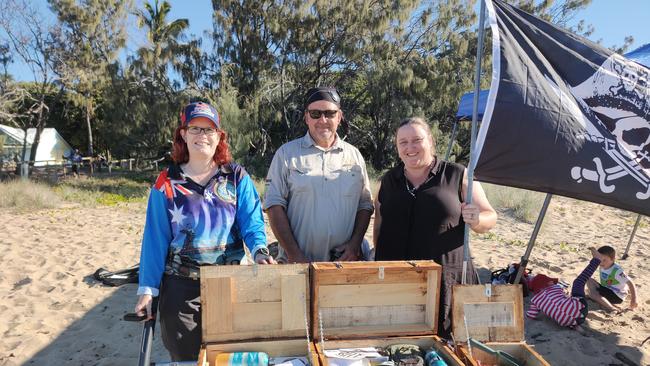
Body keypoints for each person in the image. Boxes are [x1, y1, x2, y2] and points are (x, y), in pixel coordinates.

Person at [134, 101, 275, 361]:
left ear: (219, 137)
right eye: (196, 129)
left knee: (230, 356)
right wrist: (147, 290)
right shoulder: (166, 182)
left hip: (229, 283)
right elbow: (155, 239)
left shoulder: (236, 176)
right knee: (187, 357)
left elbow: (252, 222)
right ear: (183, 134)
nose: (203, 136)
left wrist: (259, 250)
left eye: (209, 130)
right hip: (181, 289)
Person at [372, 117, 497, 336]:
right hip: (398, 280)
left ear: (431, 141)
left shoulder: (458, 175)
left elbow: (490, 217)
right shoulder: (387, 181)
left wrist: (477, 220)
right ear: (397, 147)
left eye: (417, 140)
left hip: (445, 280)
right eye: (403, 142)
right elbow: (379, 226)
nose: (410, 147)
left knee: (447, 344)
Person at [264, 86, 374, 263]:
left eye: (330, 113)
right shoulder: (286, 154)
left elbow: (365, 206)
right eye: (315, 113)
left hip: (344, 263)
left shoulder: (355, 156)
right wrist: (294, 255)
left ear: (339, 117)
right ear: (306, 117)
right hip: (297, 263)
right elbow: (274, 206)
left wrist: (354, 245)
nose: (323, 120)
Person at [526, 247, 603, 330]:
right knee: (578, 282)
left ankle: (574, 325)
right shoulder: (555, 287)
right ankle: (597, 260)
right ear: (548, 283)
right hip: (580, 308)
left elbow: (531, 315)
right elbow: (564, 294)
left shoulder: (535, 300)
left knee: (563, 311)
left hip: (569, 322)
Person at [586, 245, 638, 312]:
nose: (601, 262)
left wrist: (633, 300)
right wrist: (593, 249)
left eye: (604, 260)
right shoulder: (603, 265)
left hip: (616, 295)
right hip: (607, 289)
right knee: (588, 279)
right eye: (600, 260)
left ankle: (611, 307)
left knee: (592, 294)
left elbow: (630, 282)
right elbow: (596, 256)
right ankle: (596, 296)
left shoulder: (616, 271)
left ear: (612, 259)